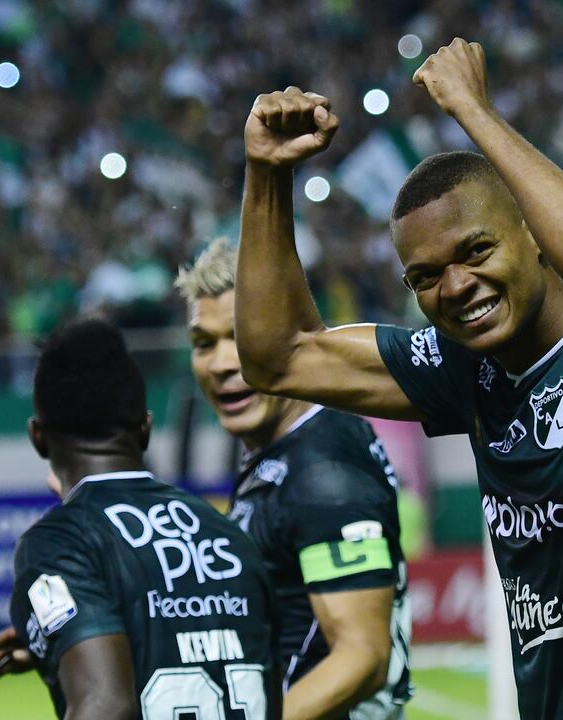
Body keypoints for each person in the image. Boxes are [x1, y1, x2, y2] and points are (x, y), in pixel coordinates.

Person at [234, 39, 563, 719]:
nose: (455, 286)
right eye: (424, 277)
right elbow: (279, 357)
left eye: (476, 250)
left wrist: (473, 110)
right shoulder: (467, 369)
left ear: (534, 231)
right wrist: (265, 174)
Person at [0, 318, 281, 719]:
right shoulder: (227, 534)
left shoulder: (60, 542)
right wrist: (58, 642)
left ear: (38, 437)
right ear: (145, 429)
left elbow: (105, 705)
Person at [176, 239, 413, 719]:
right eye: (205, 343)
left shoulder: (323, 469)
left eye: (241, 338)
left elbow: (362, 658)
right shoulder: (280, 456)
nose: (223, 364)